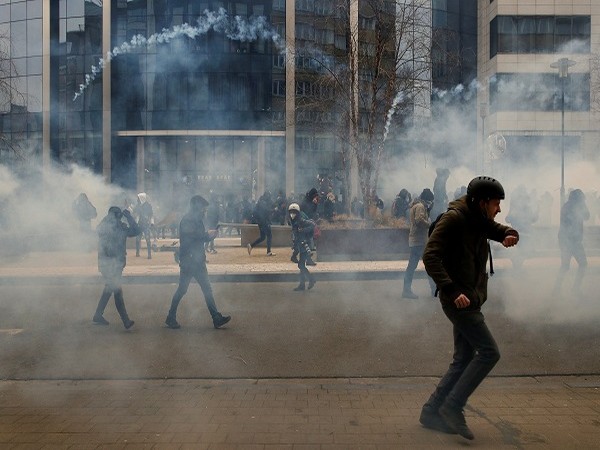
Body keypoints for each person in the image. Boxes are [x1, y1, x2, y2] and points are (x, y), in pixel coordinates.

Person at [419, 176, 519, 440]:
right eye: (496, 204)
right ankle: (452, 406)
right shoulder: (455, 219)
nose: (498, 209)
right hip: (458, 299)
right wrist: (451, 289)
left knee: (463, 358)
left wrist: (509, 234)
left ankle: (431, 412)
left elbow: (494, 229)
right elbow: (429, 255)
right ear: (482, 201)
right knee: (489, 352)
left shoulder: (477, 217)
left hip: (471, 297)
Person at [165, 195, 231, 330]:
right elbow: (193, 237)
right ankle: (171, 317)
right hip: (189, 261)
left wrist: (208, 235)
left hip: (197, 260)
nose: (204, 211)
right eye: (202, 208)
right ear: (196, 207)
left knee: (206, 289)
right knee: (182, 290)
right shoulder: (188, 220)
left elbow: (198, 237)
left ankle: (216, 317)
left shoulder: (195, 220)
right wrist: (208, 235)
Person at [93, 206, 140, 329]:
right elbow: (135, 230)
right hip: (110, 265)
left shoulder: (114, 227)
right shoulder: (108, 227)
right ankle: (126, 320)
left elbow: (136, 231)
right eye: (118, 215)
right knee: (117, 291)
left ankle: (98, 315)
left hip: (113, 265)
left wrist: (128, 217)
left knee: (109, 289)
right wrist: (127, 217)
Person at [553, 189, 590, 295]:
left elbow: (587, 216)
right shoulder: (568, 207)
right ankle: (562, 289)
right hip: (568, 241)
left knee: (574, 265)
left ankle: (561, 288)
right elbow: (570, 224)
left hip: (573, 240)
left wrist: (583, 205)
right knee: (569, 266)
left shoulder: (573, 206)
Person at [402, 188, 435, 299]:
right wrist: (429, 225)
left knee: (413, 266)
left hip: (416, 241)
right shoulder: (420, 206)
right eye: (430, 200)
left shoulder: (416, 206)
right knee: (429, 265)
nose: (430, 203)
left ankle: (407, 290)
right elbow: (419, 220)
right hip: (418, 241)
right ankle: (434, 290)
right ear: (427, 199)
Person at [288, 203, 316, 291]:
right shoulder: (294, 221)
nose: (292, 214)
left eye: (294, 212)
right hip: (300, 245)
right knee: (301, 265)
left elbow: (312, 225)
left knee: (301, 265)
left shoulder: (300, 220)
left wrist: (303, 230)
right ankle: (302, 284)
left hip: (304, 245)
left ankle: (311, 279)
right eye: (291, 212)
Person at [247, 191, 276, 256]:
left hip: (260, 221)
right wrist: (274, 210)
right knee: (269, 235)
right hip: (263, 221)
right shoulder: (262, 202)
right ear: (267, 196)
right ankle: (269, 252)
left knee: (262, 237)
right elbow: (266, 211)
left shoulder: (261, 201)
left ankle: (251, 246)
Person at [134, 192, 154, 259]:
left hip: (146, 224)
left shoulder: (148, 206)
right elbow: (136, 214)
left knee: (147, 239)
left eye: (138, 198)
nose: (137, 199)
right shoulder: (138, 206)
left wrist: (152, 223)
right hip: (140, 224)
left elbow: (151, 215)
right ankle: (137, 253)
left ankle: (149, 255)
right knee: (137, 239)